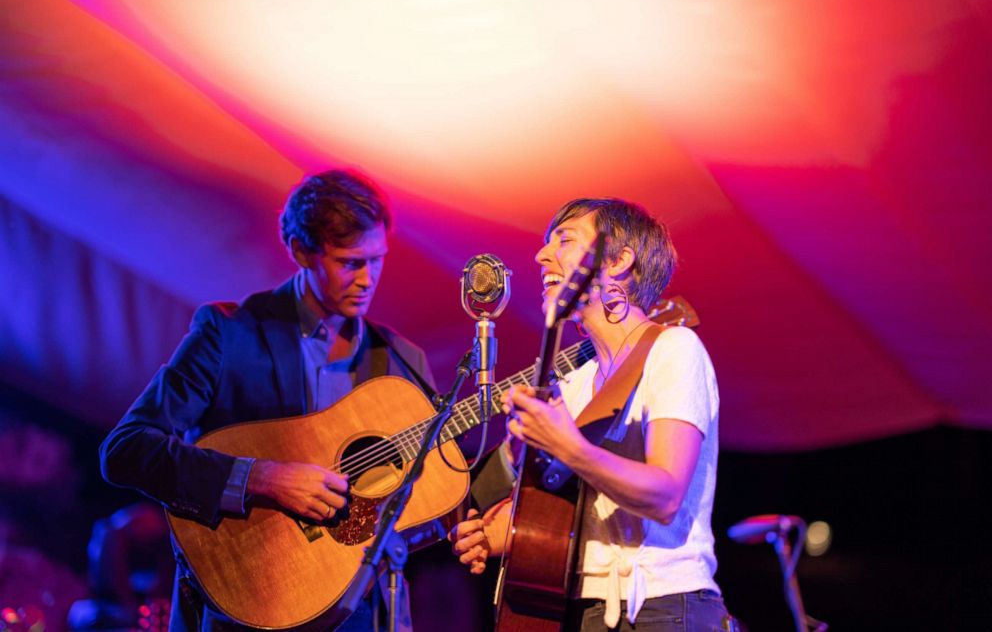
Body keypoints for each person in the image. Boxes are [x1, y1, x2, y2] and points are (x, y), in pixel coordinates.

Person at [100, 169, 436, 632]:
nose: (367, 279)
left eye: (377, 260)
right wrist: (261, 477)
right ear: (301, 251)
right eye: (349, 262)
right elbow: (126, 449)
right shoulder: (230, 334)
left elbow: (436, 500)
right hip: (246, 603)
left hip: (361, 612)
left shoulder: (401, 360)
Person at [449, 198, 732, 631]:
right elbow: (573, 515)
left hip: (661, 607)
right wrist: (506, 533)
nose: (542, 256)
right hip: (585, 612)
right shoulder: (574, 386)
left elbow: (665, 495)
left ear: (618, 261)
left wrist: (570, 447)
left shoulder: (672, 349)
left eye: (564, 241)